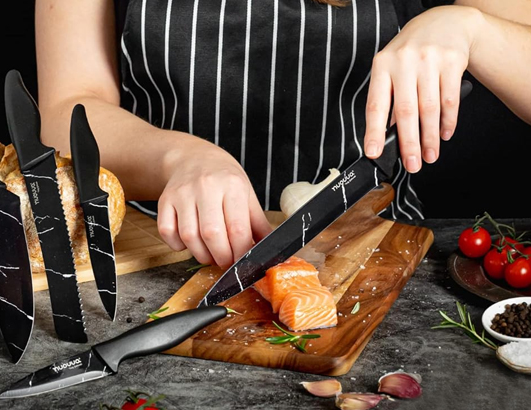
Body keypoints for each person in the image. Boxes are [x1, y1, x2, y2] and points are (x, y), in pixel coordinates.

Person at [33, 0, 531, 271]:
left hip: (369, 256)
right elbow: (66, 110)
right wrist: (177, 159)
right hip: (153, 257)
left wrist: (472, 27)